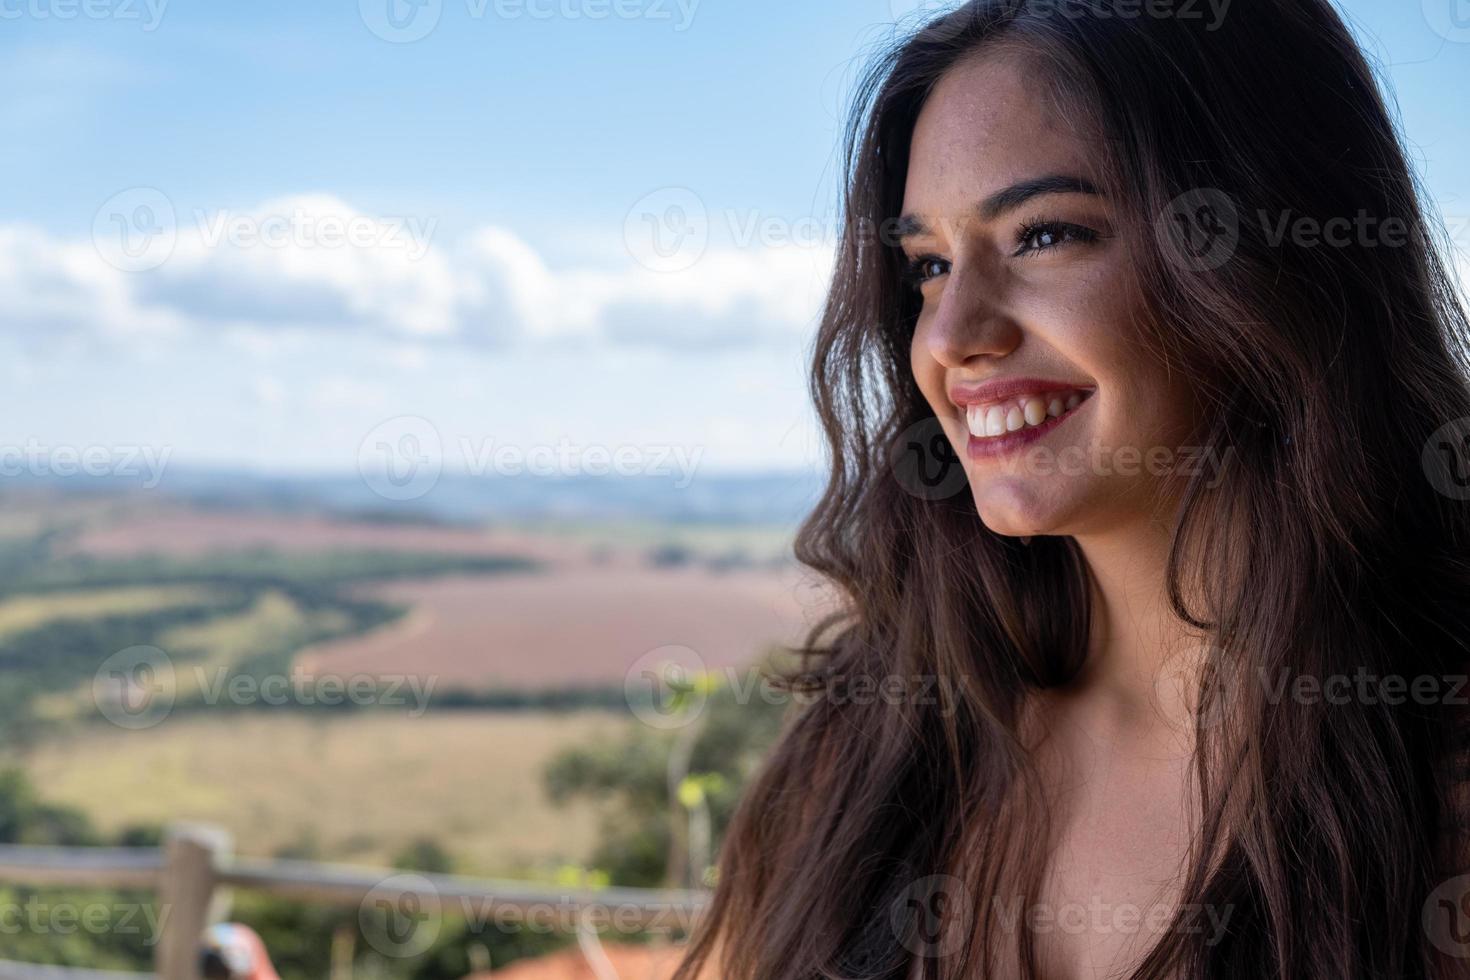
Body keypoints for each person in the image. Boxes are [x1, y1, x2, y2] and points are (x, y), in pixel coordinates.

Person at [673, 1, 1470, 978]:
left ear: (1269, 256)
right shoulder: (874, 743)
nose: (953, 333)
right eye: (927, 263)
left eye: (1044, 235)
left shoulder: (1437, 777)